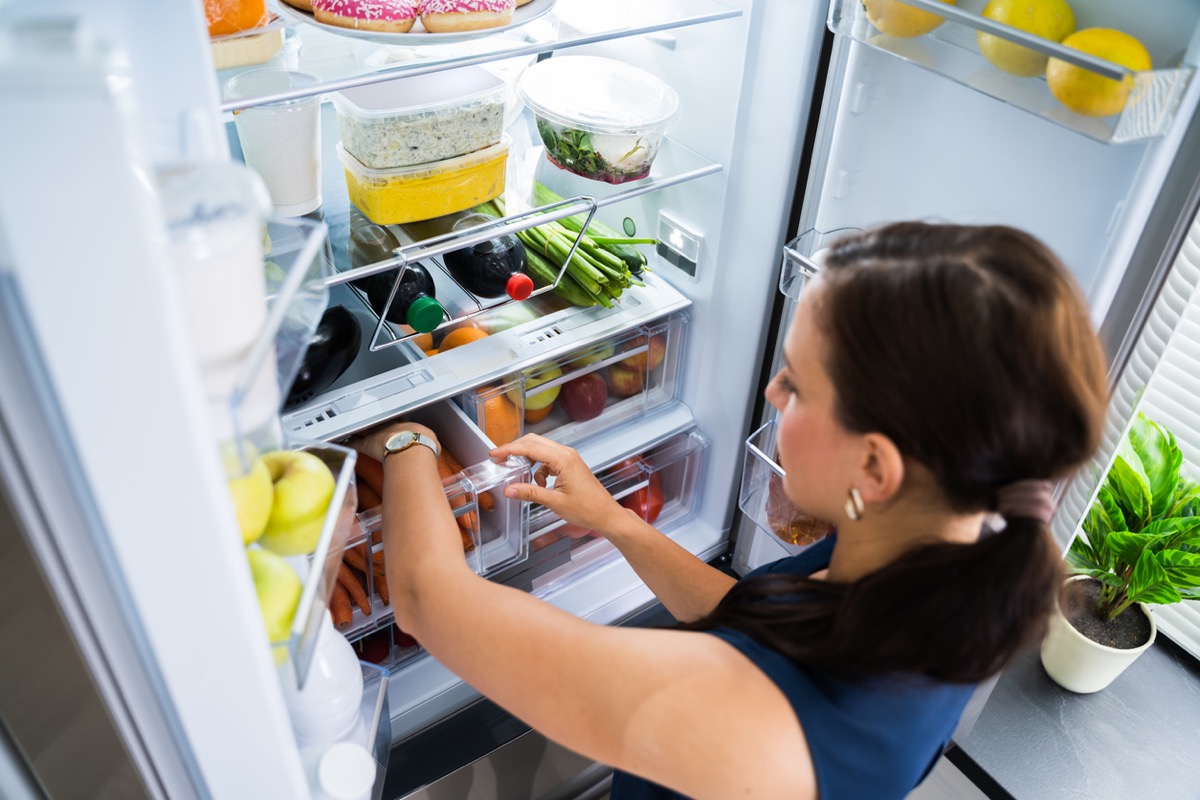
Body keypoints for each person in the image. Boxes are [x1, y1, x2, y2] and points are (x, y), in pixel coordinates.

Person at [350, 222, 1109, 800]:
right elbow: (762, 619)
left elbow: (423, 596)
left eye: (799, 385)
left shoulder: (739, 720)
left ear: (876, 466)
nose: (774, 394)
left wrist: (405, 426)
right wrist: (618, 523)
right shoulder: (957, 561)